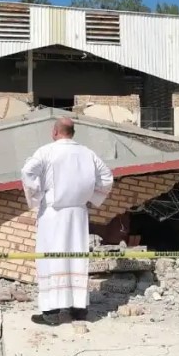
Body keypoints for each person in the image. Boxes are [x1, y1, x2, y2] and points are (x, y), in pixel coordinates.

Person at [21, 117, 114, 325]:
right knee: (76, 259)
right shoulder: (88, 153)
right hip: (78, 214)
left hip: (53, 214)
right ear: (73, 132)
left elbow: (27, 172)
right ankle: (78, 309)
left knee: (52, 260)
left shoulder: (47, 151)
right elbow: (107, 178)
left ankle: (52, 313)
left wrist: (37, 195)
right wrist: (91, 197)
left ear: (55, 132)